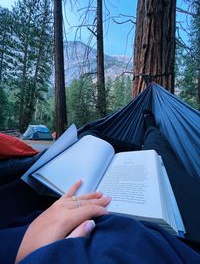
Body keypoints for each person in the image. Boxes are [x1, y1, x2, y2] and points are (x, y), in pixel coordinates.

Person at [0, 111, 200, 264]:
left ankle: (143, 144)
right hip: (180, 239)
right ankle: (150, 130)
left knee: (89, 135)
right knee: (159, 154)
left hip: (25, 197)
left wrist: (14, 245)